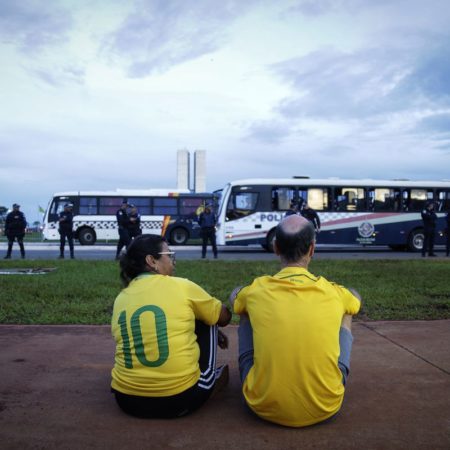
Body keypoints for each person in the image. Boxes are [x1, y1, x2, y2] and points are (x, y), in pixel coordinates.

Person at [229, 214, 361, 427]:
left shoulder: (256, 289)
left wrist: (239, 294)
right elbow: (356, 300)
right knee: (347, 311)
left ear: (276, 248)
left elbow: (235, 298)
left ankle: (264, 382)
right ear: (312, 249)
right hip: (325, 407)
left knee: (244, 310)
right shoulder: (334, 292)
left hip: (261, 406)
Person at [111, 234, 232, 418]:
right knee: (208, 315)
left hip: (126, 401)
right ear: (152, 261)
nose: (173, 261)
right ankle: (213, 378)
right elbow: (224, 317)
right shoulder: (181, 286)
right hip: (178, 400)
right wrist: (212, 322)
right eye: (169, 255)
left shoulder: (121, 298)